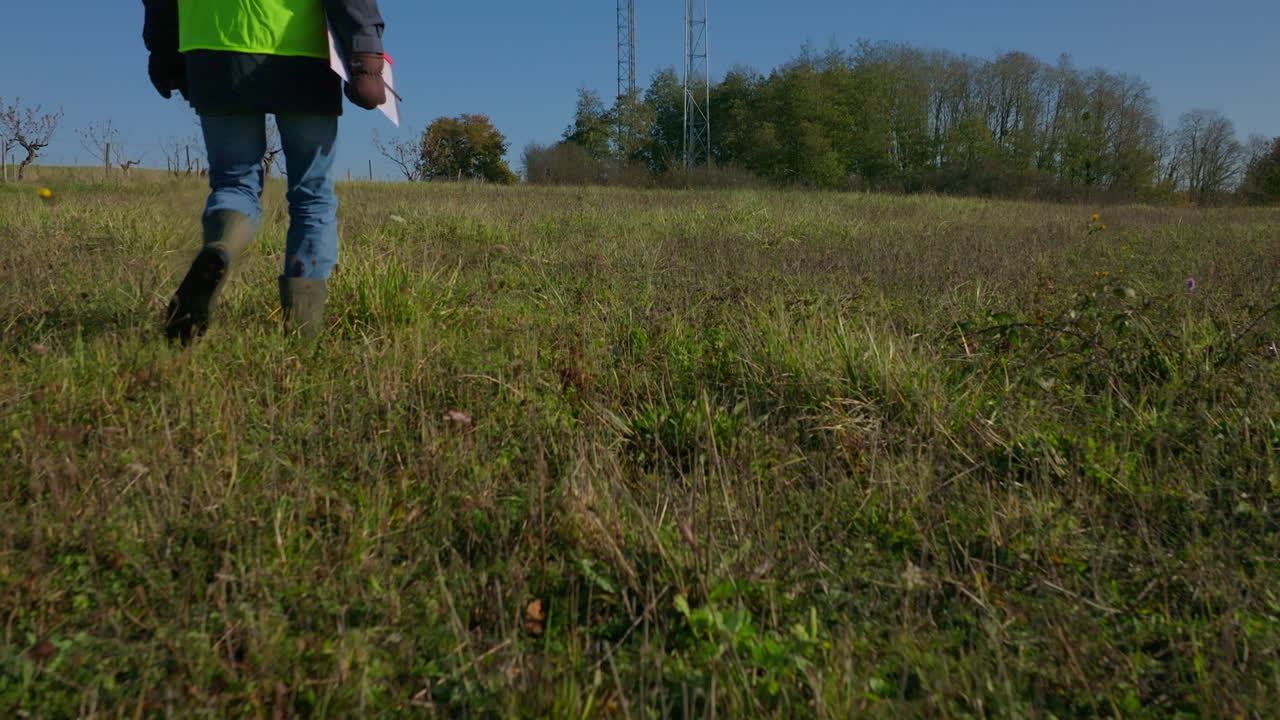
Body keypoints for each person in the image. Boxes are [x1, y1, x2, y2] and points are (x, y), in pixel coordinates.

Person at [142, 0, 387, 342]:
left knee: (232, 183)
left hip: (213, 48)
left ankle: (220, 248)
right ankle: (302, 335)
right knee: (311, 194)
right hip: (301, 52)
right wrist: (367, 57)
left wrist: (164, 50)